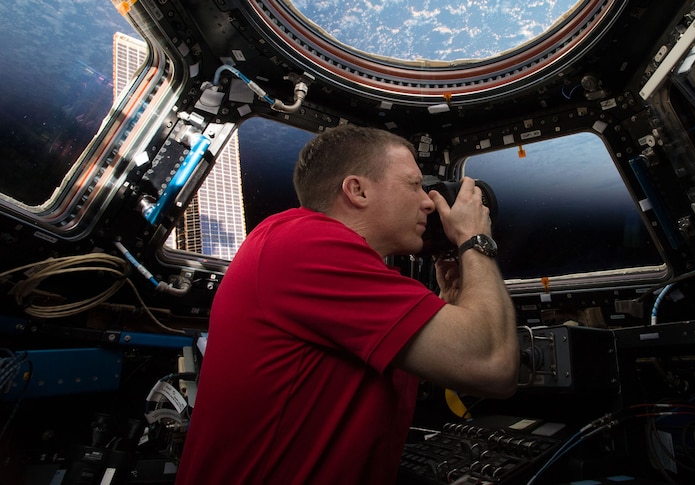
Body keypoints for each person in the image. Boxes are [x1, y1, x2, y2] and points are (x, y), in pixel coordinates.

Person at [174, 124, 519, 484]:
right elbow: (493, 366)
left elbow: (460, 361)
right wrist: (474, 238)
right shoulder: (305, 244)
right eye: (414, 184)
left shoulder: (313, 253)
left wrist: (449, 310)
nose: (429, 202)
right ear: (357, 190)